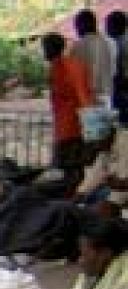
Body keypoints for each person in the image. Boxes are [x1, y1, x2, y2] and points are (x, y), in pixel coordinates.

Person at [43, 32, 96, 186]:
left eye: (45, 47)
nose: (44, 52)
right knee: (68, 171)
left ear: (52, 48)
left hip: (71, 129)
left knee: (68, 172)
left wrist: (90, 127)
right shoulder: (59, 66)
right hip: (66, 127)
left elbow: (84, 97)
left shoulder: (68, 67)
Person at [72, 8, 118, 110]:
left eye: (77, 26)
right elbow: (114, 71)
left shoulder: (78, 46)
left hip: (86, 99)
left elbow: (74, 76)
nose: (77, 30)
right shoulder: (111, 42)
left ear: (83, 25)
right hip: (107, 97)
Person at [108, 10, 128, 127]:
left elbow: (119, 72)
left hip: (122, 90)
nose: (107, 30)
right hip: (122, 89)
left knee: (121, 125)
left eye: (108, 26)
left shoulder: (118, 44)